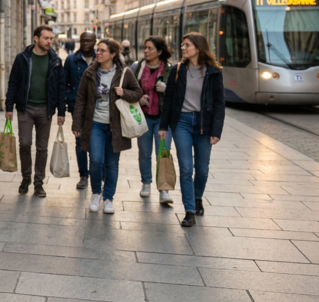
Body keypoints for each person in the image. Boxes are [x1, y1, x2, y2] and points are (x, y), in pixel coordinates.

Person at [160, 32, 225, 228]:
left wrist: (216, 130)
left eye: (187, 45)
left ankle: (198, 197)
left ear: (198, 47)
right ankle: (189, 210)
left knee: (202, 170)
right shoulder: (178, 70)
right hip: (182, 123)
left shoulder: (214, 72)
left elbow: (219, 104)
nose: (183, 48)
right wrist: (164, 126)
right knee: (186, 168)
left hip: (204, 124)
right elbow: (169, 100)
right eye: (183, 45)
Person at [71, 38, 142, 214]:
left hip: (115, 126)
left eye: (103, 50)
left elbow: (138, 93)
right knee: (95, 160)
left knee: (112, 163)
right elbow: (80, 99)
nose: (98, 53)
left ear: (113, 54)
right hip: (95, 124)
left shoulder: (124, 72)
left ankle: (109, 198)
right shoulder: (90, 72)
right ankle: (96, 193)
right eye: (98, 50)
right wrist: (76, 124)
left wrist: (123, 92)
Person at [5, 25, 67, 197]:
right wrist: (9, 107)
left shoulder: (55, 60)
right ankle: (26, 178)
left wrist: (61, 111)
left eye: (50, 38)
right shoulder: (22, 58)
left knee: (42, 148)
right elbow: (13, 83)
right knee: (24, 143)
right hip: (25, 108)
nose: (49, 41)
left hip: (45, 110)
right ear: (36, 38)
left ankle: (38, 183)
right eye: (46, 38)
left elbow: (61, 87)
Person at [132, 37, 173, 204]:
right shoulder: (139, 67)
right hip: (144, 118)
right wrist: (138, 98)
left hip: (163, 121)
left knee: (163, 153)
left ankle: (164, 189)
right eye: (145, 48)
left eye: (150, 48)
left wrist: (167, 89)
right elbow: (131, 88)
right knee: (144, 153)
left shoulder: (170, 69)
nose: (146, 51)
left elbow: (178, 93)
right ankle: (146, 183)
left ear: (160, 51)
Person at [64, 31, 96, 189]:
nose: (85, 44)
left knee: (96, 142)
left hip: (98, 108)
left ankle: (97, 173)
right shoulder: (71, 60)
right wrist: (70, 98)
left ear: (94, 42)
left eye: (89, 41)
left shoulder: (102, 58)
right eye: (83, 41)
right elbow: (64, 83)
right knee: (80, 142)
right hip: (79, 108)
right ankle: (84, 175)